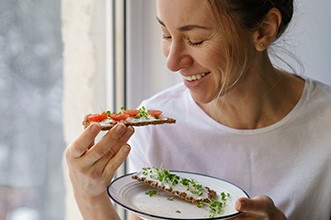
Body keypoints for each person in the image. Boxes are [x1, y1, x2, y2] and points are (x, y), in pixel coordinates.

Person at [65, 0, 331, 219]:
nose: (172, 62)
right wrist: (90, 197)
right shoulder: (157, 133)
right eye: (166, 34)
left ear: (263, 30)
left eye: (196, 40)